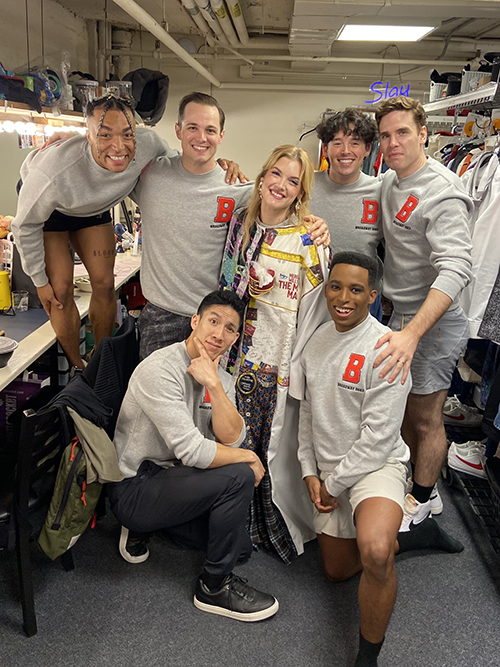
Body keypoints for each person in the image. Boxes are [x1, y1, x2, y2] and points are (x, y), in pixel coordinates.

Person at [11, 94, 240, 370]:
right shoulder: (52, 173)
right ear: (89, 135)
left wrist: (218, 168)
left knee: (105, 284)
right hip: (53, 209)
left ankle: (100, 361)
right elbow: (24, 225)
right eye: (105, 135)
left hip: (93, 204)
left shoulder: (147, 144)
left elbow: (180, 163)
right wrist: (39, 281)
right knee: (59, 291)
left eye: (127, 134)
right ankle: (77, 367)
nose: (118, 146)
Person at [108, 289, 279, 622]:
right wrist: (248, 459)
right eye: (213, 321)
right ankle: (213, 588)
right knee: (240, 474)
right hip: (136, 485)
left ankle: (153, 527)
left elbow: (234, 436)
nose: (219, 333)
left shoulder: (218, 376)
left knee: (240, 549)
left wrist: (214, 386)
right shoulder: (159, 370)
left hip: (176, 478)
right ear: (195, 321)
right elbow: (192, 449)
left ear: (235, 337)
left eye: (230, 328)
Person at [132, 92, 331, 359]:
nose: (201, 138)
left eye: (210, 130)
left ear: (221, 135)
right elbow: (107, 171)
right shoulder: (151, 177)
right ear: (178, 130)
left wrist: (316, 224)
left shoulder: (237, 188)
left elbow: (279, 203)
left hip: (214, 321)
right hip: (160, 318)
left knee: (209, 398)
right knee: (155, 397)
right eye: (192, 127)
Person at [219, 145, 331, 563]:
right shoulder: (239, 226)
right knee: (232, 440)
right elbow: (226, 284)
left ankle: (265, 525)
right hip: (235, 356)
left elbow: (319, 309)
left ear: (301, 191)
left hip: (277, 360)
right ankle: (231, 521)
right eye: (276, 174)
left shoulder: (308, 237)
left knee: (268, 449)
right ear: (262, 176)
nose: (281, 185)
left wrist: (301, 365)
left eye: (293, 180)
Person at [298, 251, 410, 667]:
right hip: (329, 468)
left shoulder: (386, 349)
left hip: (375, 467)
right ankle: (404, 535)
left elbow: (378, 439)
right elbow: (307, 413)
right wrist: (310, 471)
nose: (344, 297)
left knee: (376, 553)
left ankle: (367, 658)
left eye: (357, 289)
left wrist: (332, 484)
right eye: (336, 286)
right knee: (336, 570)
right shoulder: (315, 341)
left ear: (372, 296)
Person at [372, 96, 473, 529]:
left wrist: (412, 333)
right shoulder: (389, 181)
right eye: (385, 136)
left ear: (424, 135)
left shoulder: (443, 191)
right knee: (401, 408)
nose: (393, 143)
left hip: (434, 321)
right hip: (400, 313)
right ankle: (414, 483)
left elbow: (457, 268)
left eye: (403, 133)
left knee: (425, 415)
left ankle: (424, 497)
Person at [310, 109, 383, 319]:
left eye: (355, 143)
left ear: (367, 149)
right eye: (337, 142)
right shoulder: (305, 185)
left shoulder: (382, 191)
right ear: (325, 149)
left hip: (361, 303)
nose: (345, 151)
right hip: (312, 300)